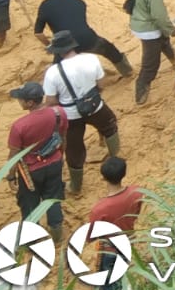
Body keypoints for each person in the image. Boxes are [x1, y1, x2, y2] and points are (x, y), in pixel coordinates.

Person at [40, 30, 119, 196]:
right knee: (110, 125)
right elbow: (101, 84)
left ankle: (76, 186)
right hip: (94, 105)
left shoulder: (53, 72)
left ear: (59, 52)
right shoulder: (91, 58)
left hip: (70, 115)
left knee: (74, 149)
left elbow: (51, 101)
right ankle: (115, 159)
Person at [34, 0, 132, 77]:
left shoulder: (44, 6)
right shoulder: (79, 2)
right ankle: (127, 72)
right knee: (110, 50)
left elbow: (38, 33)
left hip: (64, 44)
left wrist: (51, 46)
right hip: (87, 38)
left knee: (58, 72)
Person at [6, 83, 68, 241]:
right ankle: (57, 236)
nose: (19, 101)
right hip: (54, 162)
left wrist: (11, 176)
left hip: (30, 172)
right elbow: (62, 137)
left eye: (21, 99)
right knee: (53, 199)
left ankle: (33, 239)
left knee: (29, 205)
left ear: (30, 103)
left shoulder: (19, 126)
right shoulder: (58, 113)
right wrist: (60, 157)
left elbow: (14, 154)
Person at [88, 156, 145, 290]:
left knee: (109, 281)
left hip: (109, 249)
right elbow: (137, 212)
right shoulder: (136, 192)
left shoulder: (99, 209)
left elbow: (91, 235)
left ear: (104, 177)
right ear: (123, 173)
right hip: (129, 240)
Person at [126, 0, 175, 105]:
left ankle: (174, 60)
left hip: (137, 20)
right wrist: (171, 29)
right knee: (151, 63)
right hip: (149, 28)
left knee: (164, 41)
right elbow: (158, 15)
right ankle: (141, 89)